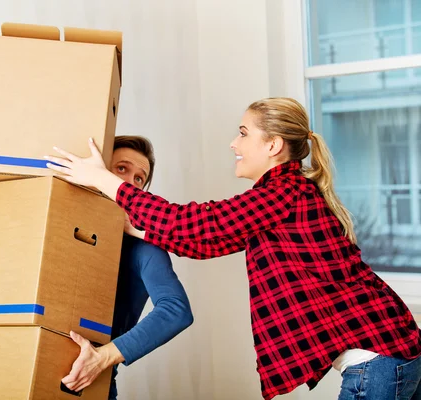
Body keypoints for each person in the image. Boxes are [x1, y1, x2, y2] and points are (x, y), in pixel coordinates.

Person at [46, 98, 421, 400]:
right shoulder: (281, 195)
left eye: (243, 133)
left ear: (272, 145)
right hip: (390, 351)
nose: (233, 143)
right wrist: (139, 227)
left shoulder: (283, 192)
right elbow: (204, 241)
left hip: (378, 359)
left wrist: (101, 178)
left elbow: (192, 225)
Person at [60, 136, 194, 399]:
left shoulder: (143, 246)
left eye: (139, 179)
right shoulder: (60, 221)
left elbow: (176, 310)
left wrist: (102, 357)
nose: (128, 183)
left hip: (88, 386)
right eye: (121, 169)